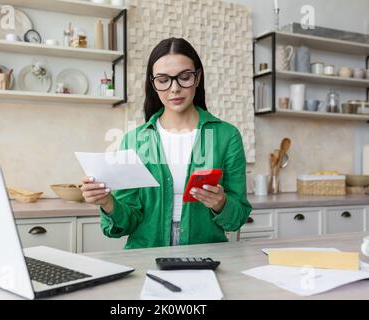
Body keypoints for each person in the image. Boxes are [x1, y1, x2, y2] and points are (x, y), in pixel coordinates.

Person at [81, 37, 252, 249]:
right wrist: (107, 202)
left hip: (206, 253)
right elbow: (126, 224)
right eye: (163, 80)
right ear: (153, 84)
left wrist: (221, 203)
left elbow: (238, 218)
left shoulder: (227, 136)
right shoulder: (134, 141)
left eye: (184, 77)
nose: (174, 88)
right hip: (145, 254)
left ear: (197, 78)